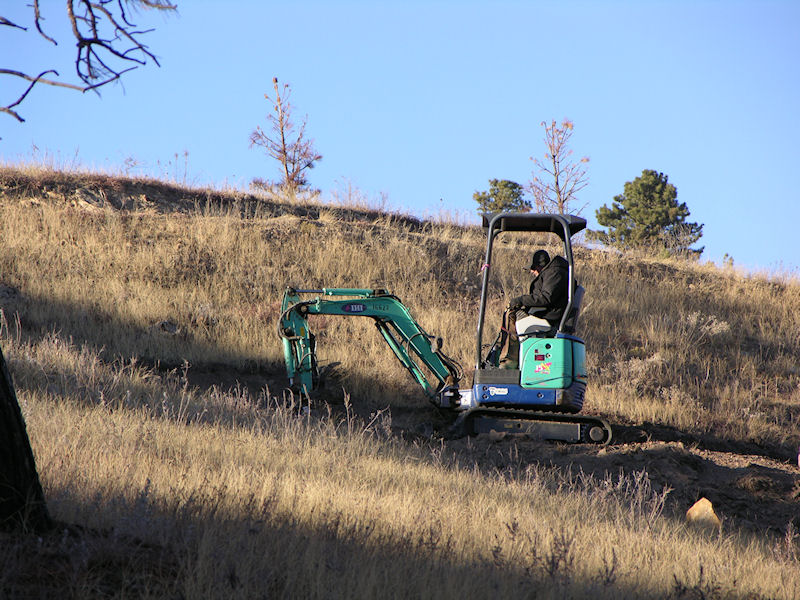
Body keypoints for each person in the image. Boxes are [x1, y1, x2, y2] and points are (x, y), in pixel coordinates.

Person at [497, 249, 570, 368]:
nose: (532, 271)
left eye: (533, 268)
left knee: (512, 315)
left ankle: (509, 361)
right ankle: (510, 357)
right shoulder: (554, 272)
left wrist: (521, 300)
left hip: (550, 317)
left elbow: (546, 298)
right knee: (513, 312)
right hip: (548, 313)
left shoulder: (554, 273)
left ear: (539, 266)